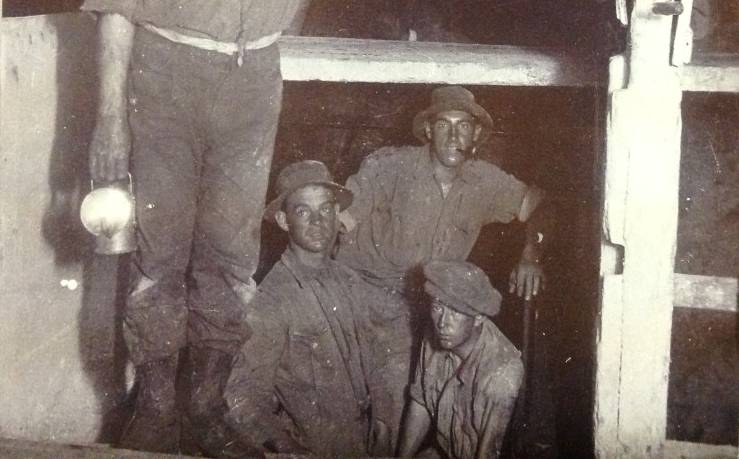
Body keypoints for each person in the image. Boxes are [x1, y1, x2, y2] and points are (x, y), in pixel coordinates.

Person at [82, 0, 555, 456]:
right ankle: (154, 404)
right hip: (166, 77)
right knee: (159, 248)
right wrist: (109, 119)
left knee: (231, 254)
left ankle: (206, 404)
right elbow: (116, 1)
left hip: (251, 82)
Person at [335, 85, 547, 444]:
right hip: (358, 296)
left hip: (417, 310)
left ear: (475, 134)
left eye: (463, 126)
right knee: (340, 408)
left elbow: (540, 203)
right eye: (444, 125)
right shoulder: (391, 167)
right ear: (429, 130)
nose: (453, 136)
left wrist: (531, 254)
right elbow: (339, 219)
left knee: (391, 416)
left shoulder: (484, 181)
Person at [224, 159, 391, 457]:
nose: (318, 221)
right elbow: (243, 396)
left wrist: (383, 417)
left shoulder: (351, 282)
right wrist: (283, 445)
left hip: (363, 443)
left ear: (338, 213)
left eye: (326, 209)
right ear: (284, 221)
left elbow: (375, 358)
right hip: (313, 446)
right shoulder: (272, 300)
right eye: (303, 211)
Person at [398, 260, 524, 459]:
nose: (443, 323)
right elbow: (421, 403)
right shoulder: (434, 337)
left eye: (455, 311)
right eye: (438, 308)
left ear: (479, 317)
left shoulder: (501, 371)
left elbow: (488, 453)